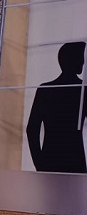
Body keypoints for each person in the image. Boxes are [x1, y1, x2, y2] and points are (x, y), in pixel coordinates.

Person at [26, 41, 87, 173]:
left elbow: (32, 129)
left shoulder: (46, 89)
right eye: (81, 58)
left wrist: (40, 164)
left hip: (50, 158)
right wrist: (40, 165)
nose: (83, 63)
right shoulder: (83, 90)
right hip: (75, 159)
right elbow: (32, 129)